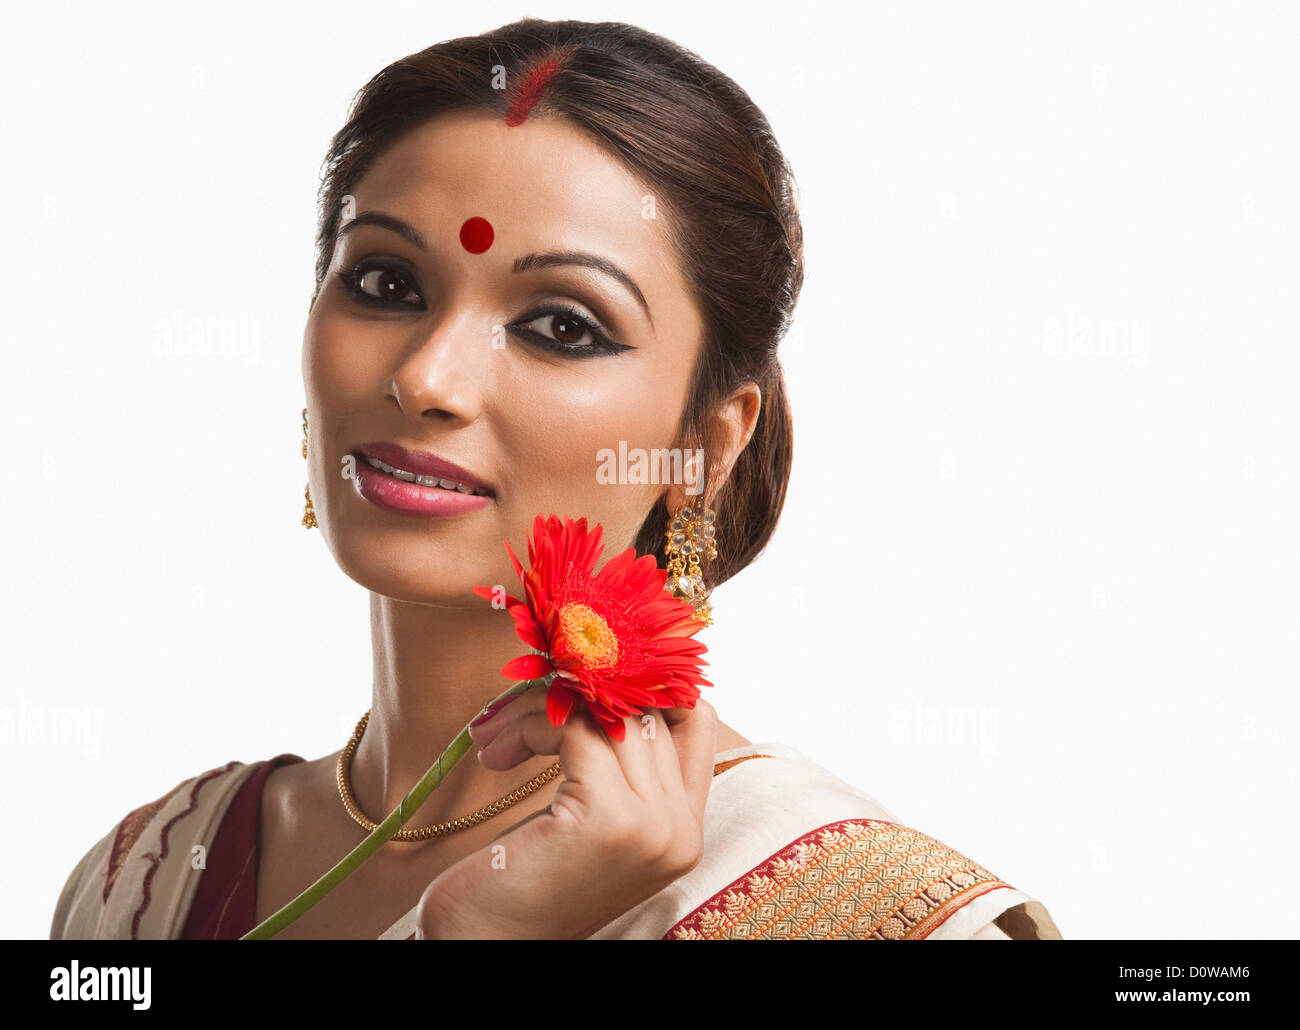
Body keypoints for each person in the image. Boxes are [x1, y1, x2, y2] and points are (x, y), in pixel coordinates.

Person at [50, 17, 1062, 941]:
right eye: (386, 283)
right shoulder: (141, 881)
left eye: (561, 326)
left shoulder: (848, 910)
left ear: (707, 443)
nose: (424, 378)